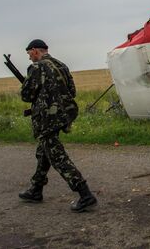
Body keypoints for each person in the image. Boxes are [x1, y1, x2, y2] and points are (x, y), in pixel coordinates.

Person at [18, 39, 97, 212]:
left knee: (57, 157)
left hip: (46, 119)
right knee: (44, 151)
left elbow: (26, 95)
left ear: (35, 51)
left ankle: (85, 194)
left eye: (29, 54)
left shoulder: (37, 68)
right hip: (62, 116)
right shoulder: (61, 65)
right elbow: (72, 91)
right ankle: (36, 189)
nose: (29, 58)